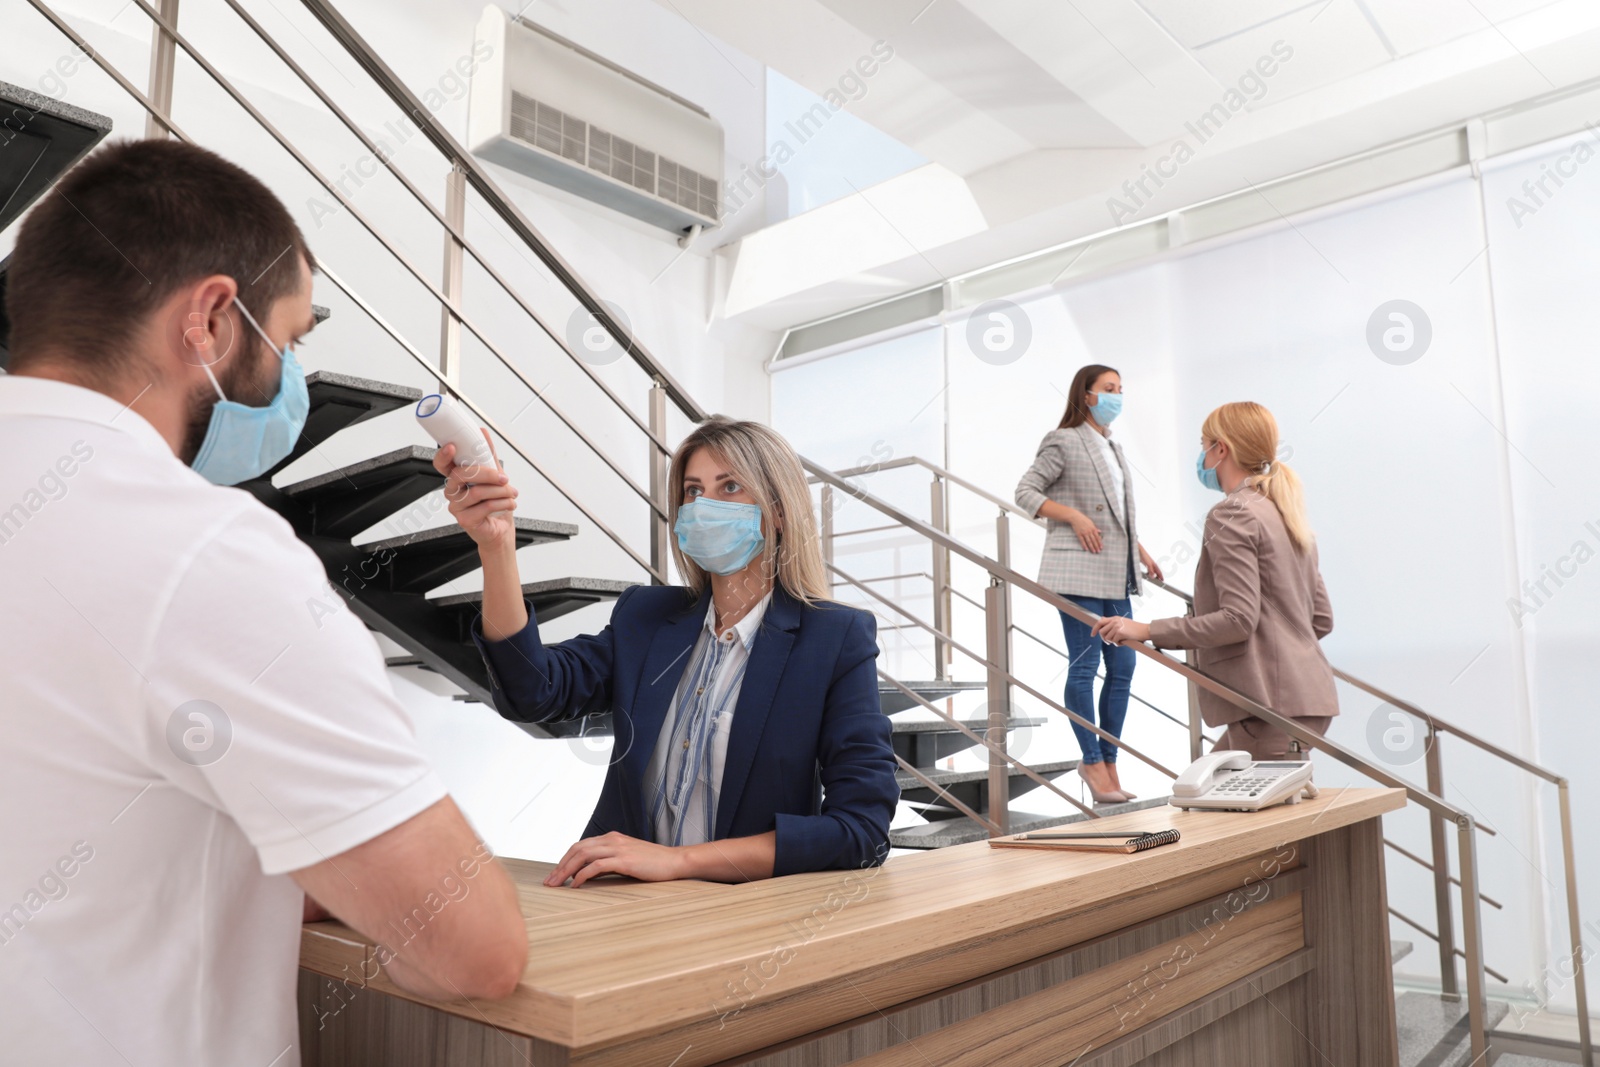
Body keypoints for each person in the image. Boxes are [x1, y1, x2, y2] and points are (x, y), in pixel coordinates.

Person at [0, 140, 527, 1065]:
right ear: (209, 319)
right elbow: (473, 946)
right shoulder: (205, 551)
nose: (288, 379)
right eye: (287, 341)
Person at [439, 417, 899, 885]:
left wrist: (679, 862)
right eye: (694, 491)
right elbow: (533, 691)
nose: (705, 506)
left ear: (778, 511)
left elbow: (861, 831)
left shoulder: (835, 637)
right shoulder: (646, 616)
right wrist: (497, 548)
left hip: (749, 918)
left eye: (731, 486)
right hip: (626, 905)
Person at [1092, 401, 1337, 758]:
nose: (1202, 455)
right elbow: (1321, 620)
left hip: (1268, 709)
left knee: (1221, 803)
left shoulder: (1233, 513)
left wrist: (1144, 630)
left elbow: (1237, 620)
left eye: (1203, 445)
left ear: (1221, 449)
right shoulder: (1285, 511)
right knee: (1201, 792)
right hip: (1307, 697)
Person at [1015, 364, 1163, 804]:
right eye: (1109, 389)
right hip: (1077, 570)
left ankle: (1111, 762)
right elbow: (1025, 491)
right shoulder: (1064, 439)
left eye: (1121, 388)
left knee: (1123, 668)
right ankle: (1091, 761)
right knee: (1084, 664)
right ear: (1087, 395)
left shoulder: (1113, 448)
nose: (1118, 395)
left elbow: (1117, 513)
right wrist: (1074, 516)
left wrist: (1141, 550)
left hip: (1116, 572)